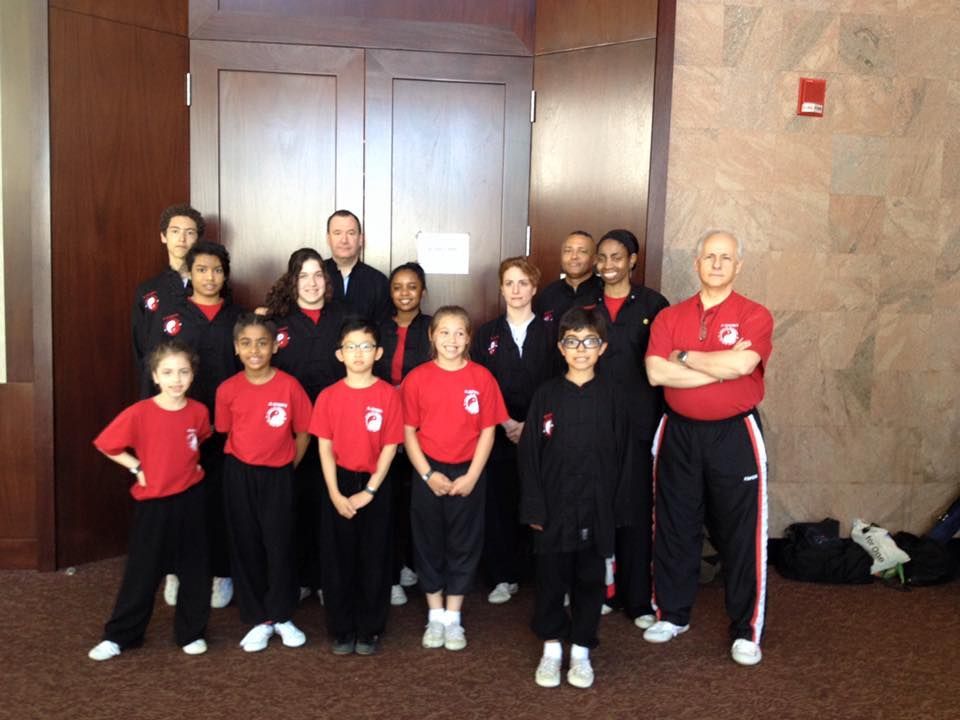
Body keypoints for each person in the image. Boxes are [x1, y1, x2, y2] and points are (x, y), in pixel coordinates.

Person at [643, 229, 773, 667]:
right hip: (678, 432)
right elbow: (656, 374)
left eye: (725, 258)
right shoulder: (670, 317)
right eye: (709, 257)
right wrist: (717, 368)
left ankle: (746, 629)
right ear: (696, 264)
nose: (716, 264)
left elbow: (743, 364)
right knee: (675, 524)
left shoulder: (755, 315)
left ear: (738, 266)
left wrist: (684, 357)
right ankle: (673, 614)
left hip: (733, 434)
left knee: (740, 533)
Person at [519, 308, 634, 689]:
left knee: (589, 581)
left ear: (602, 348)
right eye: (572, 342)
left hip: (597, 507)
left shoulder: (615, 397)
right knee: (551, 580)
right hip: (553, 508)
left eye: (589, 342)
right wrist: (534, 505)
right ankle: (552, 649)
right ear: (561, 348)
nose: (580, 349)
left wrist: (617, 508)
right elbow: (530, 456)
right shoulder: (546, 394)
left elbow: (626, 456)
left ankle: (582, 650)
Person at [88, 340, 212, 661]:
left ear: (192, 375)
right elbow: (106, 444)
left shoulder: (199, 411)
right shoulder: (140, 412)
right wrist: (137, 466)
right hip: (154, 503)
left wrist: (191, 463)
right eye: (168, 372)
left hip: (192, 500)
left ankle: (191, 632)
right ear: (155, 376)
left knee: (195, 569)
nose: (176, 379)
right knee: (142, 571)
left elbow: (197, 441)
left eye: (183, 372)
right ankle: (120, 635)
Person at [401, 306, 509, 651]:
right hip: (428, 471)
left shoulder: (481, 378)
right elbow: (408, 433)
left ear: (469, 338)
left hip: (469, 471)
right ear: (432, 336)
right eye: (444, 332)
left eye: (460, 333)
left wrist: (473, 475)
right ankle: (435, 616)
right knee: (429, 542)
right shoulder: (417, 378)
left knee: (464, 542)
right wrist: (428, 473)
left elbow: (488, 432)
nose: (452, 340)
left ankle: (453, 617)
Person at [582, 228, 669, 628]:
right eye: (602, 257)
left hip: (639, 424)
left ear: (633, 260)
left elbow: (664, 368)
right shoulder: (585, 305)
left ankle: (637, 600)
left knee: (635, 512)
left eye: (617, 257)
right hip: (594, 423)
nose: (608, 264)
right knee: (595, 507)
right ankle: (598, 591)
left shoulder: (654, 304)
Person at [215, 314, 312, 653]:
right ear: (236, 348)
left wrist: (286, 466)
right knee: (246, 543)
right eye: (246, 343)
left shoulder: (289, 386)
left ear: (274, 346)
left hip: (279, 475)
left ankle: (282, 615)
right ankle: (259, 618)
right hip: (239, 475)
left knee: (280, 543)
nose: (254, 349)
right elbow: (226, 431)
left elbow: (303, 433)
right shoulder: (227, 389)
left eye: (261, 343)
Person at [158, 241, 244, 611]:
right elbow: (156, 372)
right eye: (203, 270)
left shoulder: (239, 317)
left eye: (217, 270)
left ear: (226, 275)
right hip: (182, 422)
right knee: (182, 499)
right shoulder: (171, 317)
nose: (210, 277)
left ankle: (222, 572)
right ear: (189, 274)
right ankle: (177, 569)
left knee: (223, 500)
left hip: (229, 426)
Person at [310, 319, 404, 656]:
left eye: (366, 346)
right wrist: (335, 494)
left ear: (378, 352)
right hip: (338, 482)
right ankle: (341, 628)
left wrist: (371, 491)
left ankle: (369, 629)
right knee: (337, 560)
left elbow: (391, 446)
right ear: (340, 354)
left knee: (374, 558)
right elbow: (323, 446)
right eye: (351, 346)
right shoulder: (328, 396)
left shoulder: (388, 395)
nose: (359, 353)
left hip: (375, 484)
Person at [473, 257, 558, 605]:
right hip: (499, 433)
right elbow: (479, 385)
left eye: (524, 282)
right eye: (510, 282)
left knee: (543, 503)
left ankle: (547, 577)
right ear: (501, 288)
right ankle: (502, 577)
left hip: (545, 433)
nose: (516, 289)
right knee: (500, 504)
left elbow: (558, 384)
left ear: (534, 288)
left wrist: (531, 426)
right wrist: (507, 423)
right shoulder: (486, 334)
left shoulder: (553, 331)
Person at [263, 248, 347, 601]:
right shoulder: (275, 322)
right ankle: (298, 579)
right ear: (292, 280)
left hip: (336, 429)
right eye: (303, 276)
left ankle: (327, 579)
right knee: (293, 506)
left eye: (317, 275)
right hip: (290, 431)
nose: (311, 283)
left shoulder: (343, 319)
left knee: (329, 506)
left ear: (326, 281)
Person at [375, 262, 433, 606]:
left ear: (422, 291)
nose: (405, 293)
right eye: (398, 287)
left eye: (412, 286)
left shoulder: (431, 328)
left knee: (419, 500)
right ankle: (392, 572)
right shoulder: (379, 329)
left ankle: (414, 563)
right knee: (389, 499)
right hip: (382, 424)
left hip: (422, 426)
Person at [132, 204, 205, 400]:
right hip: (160, 392)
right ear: (163, 236)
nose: (182, 239)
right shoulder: (147, 291)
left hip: (202, 386)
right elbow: (141, 348)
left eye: (189, 233)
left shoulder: (211, 287)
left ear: (197, 239)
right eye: (175, 231)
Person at [324, 209, 391, 323]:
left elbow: (384, 329)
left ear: (361, 239)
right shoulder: (314, 276)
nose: (344, 240)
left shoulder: (379, 281)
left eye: (351, 233)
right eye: (337, 233)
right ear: (328, 239)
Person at [533, 231, 602, 333]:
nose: (574, 256)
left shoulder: (605, 290)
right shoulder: (548, 294)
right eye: (568, 251)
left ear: (595, 259)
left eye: (582, 251)